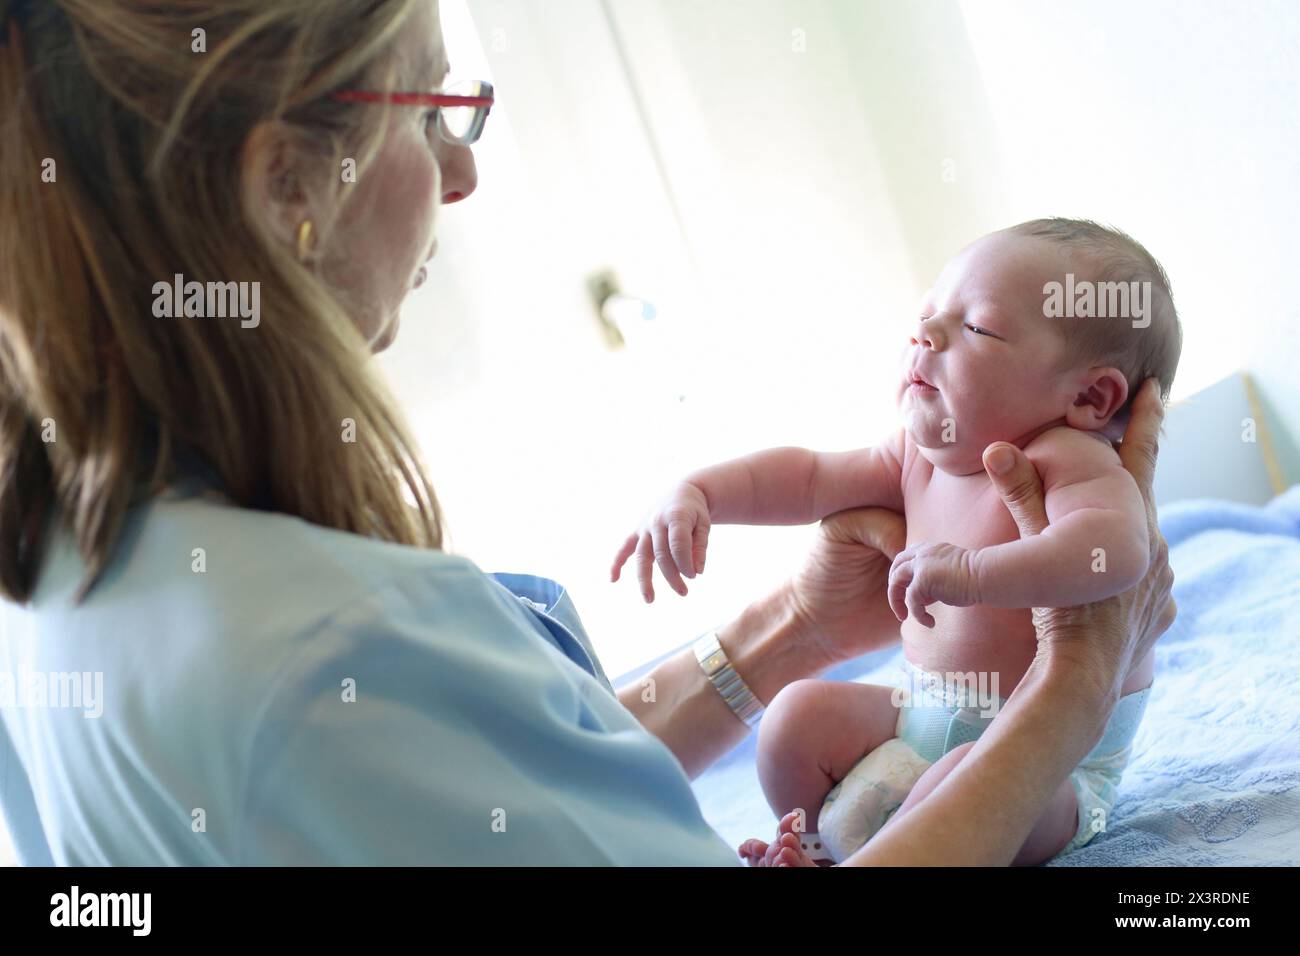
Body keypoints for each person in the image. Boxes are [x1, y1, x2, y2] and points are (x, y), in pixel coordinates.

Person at [0, 0, 1175, 866]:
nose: (461, 174)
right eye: (435, 109)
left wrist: (791, 625)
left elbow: (495, 798)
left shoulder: (74, 572)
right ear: (288, 189)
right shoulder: (336, 651)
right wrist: (1068, 693)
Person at [613, 220, 1181, 864]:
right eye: (928, 314)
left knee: (958, 775)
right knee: (794, 720)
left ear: (1089, 394)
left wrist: (972, 572)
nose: (926, 334)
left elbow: (1116, 554)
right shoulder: (917, 454)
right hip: (923, 719)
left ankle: (866, 843)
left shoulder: (1069, 458)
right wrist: (700, 492)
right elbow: (807, 477)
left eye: (978, 328)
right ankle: (822, 844)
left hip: (1058, 773)